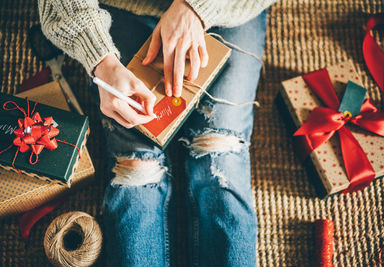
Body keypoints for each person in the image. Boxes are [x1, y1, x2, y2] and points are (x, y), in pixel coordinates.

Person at [39, 0, 276, 266]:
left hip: (226, 10)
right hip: (120, 10)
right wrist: (100, 58)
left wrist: (196, 7)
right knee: (135, 170)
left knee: (220, 155)